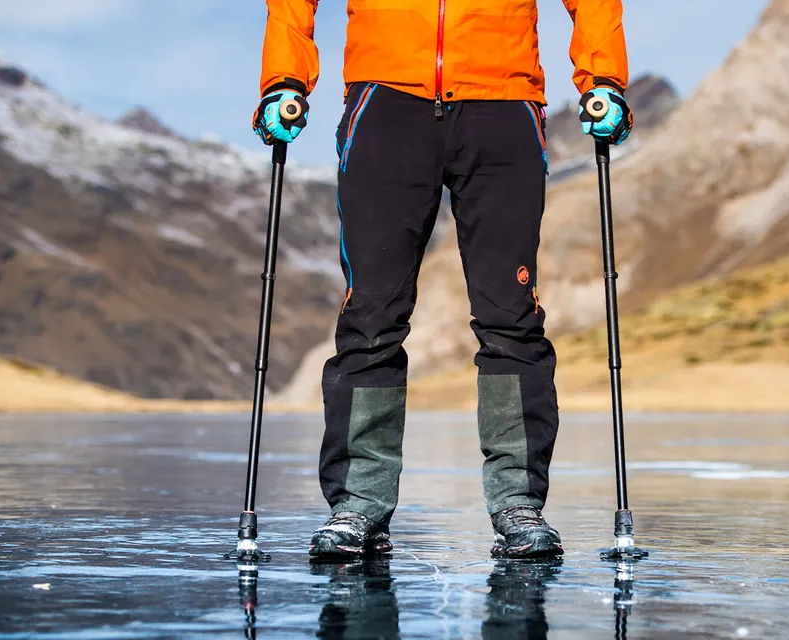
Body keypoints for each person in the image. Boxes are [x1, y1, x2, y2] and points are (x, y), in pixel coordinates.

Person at [253, 0, 633, 561]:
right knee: (372, 314)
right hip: (385, 100)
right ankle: (359, 503)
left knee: (512, 317)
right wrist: (284, 78)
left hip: (502, 104)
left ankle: (518, 504)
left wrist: (603, 76)